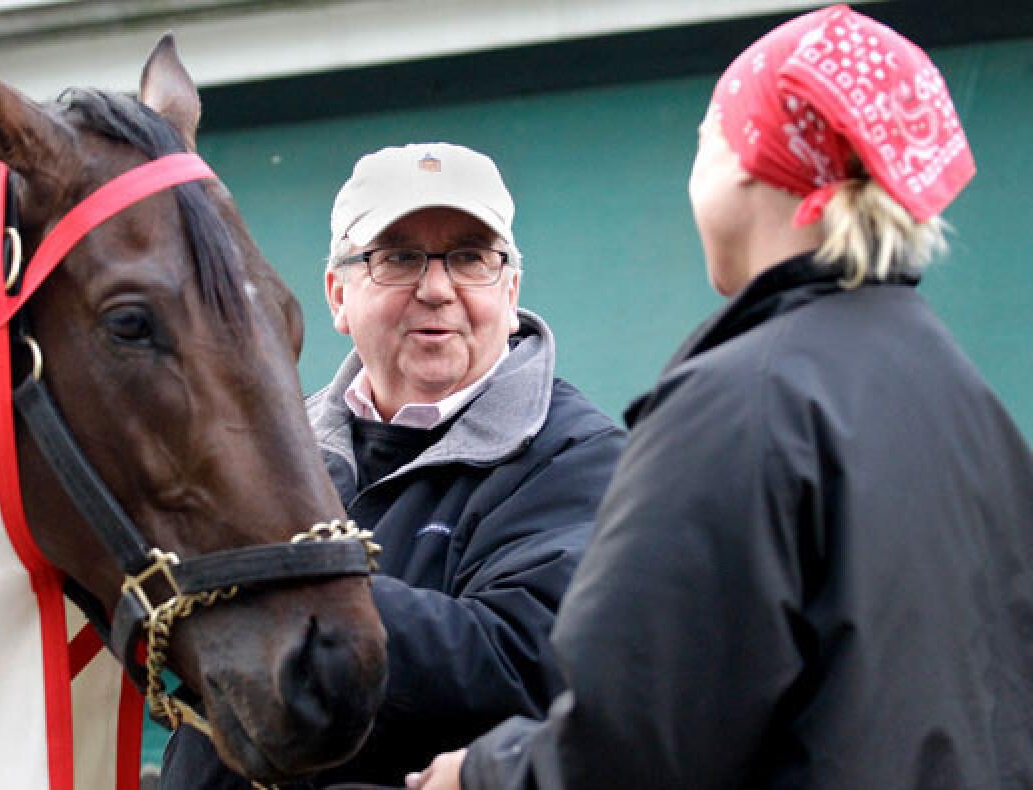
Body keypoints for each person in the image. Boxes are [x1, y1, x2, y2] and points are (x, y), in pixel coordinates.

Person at [409, 5, 1033, 788]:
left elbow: (636, 742)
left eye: (706, 135)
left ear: (745, 161)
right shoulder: (966, 401)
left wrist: (480, 776)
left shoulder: (745, 402)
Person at [159, 142, 626, 788]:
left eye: (469, 257)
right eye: (399, 257)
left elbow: (524, 664)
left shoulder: (577, 456)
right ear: (337, 296)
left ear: (510, 288)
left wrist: (283, 575)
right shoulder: (275, 448)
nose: (436, 289)